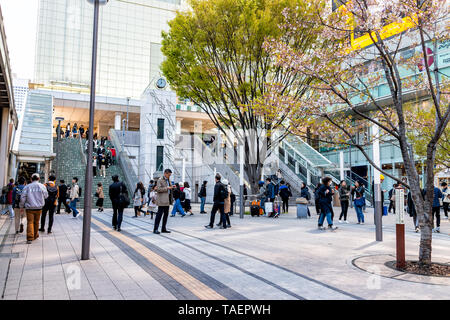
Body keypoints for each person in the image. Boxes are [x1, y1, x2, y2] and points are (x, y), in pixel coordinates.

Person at [19, 173, 48, 244]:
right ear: (38, 179)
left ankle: (30, 238)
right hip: (39, 207)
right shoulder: (42, 186)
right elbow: (46, 196)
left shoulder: (27, 187)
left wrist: (21, 206)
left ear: (31, 179)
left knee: (30, 222)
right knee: (36, 222)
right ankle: (35, 235)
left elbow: (22, 197)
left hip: (30, 208)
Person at [154, 169, 175, 234]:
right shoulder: (160, 180)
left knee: (166, 215)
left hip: (167, 200)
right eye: (169, 175)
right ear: (165, 173)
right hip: (162, 200)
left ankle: (163, 228)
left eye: (170, 175)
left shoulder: (168, 180)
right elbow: (158, 189)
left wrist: (172, 187)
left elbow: (169, 187)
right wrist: (167, 188)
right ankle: (155, 229)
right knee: (159, 215)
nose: (169, 176)